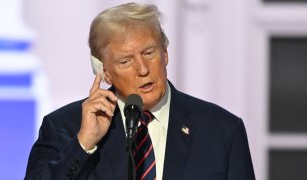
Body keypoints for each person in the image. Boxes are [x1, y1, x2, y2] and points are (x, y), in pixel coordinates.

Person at [25, 2, 255, 180]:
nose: (143, 69)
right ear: (104, 71)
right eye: (125, 61)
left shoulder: (222, 131)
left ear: (165, 54)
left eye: (149, 52)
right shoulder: (65, 128)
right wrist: (84, 144)